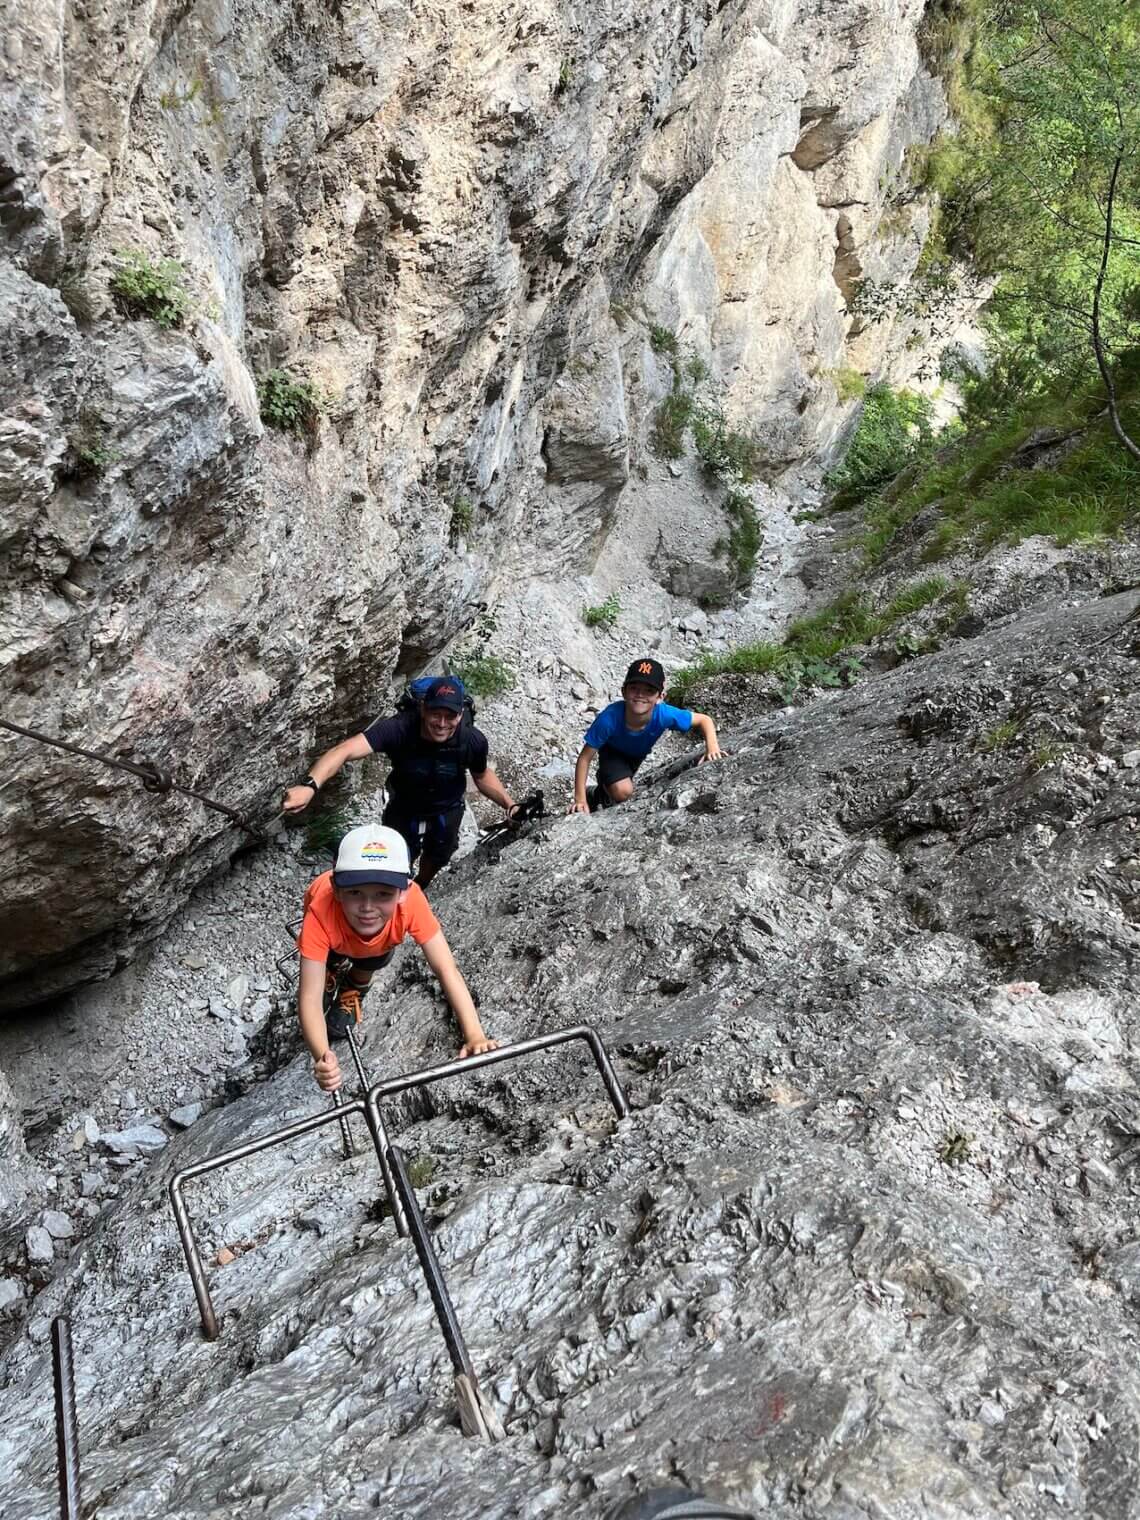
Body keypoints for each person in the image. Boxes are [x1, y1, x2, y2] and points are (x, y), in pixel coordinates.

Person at [296, 824, 497, 1092]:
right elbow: (308, 997)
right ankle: (331, 973)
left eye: (383, 894)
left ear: (403, 891)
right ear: (335, 888)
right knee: (328, 959)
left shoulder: (412, 902)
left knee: (373, 956)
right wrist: (322, 1057)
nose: (368, 907)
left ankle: (353, 987)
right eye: (355, 892)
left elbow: (445, 968)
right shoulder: (320, 910)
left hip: (373, 944)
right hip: (332, 934)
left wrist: (474, 1034)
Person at [282, 675, 519, 888]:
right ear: (424, 709)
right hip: (405, 806)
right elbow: (345, 750)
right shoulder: (399, 728)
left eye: (450, 716)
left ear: (460, 715)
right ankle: (399, 887)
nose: (442, 723)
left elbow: (481, 775)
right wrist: (310, 785)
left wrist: (510, 805)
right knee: (396, 854)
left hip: (448, 805)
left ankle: (421, 885)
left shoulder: (471, 740)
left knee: (440, 853)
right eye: (436, 714)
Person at [569, 658, 722, 814]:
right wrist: (579, 800)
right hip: (612, 753)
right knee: (624, 791)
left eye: (649, 690)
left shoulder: (664, 714)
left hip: (636, 757)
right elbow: (584, 758)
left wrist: (712, 747)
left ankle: (597, 793)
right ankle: (596, 794)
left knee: (622, 788)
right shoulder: (609, 719)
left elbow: (704, 720)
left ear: (660, 697)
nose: (640, 695)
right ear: (624, 691)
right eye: (634, 688)